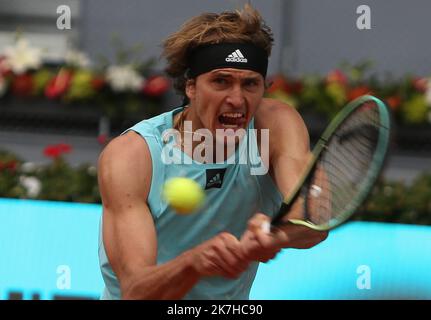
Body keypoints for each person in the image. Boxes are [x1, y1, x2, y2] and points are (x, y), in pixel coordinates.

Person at [98, 4, 328, 300]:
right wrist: (192, 264)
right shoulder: (132, 155)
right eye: (221, 81)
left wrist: (276, 234)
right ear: (191, 87)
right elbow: (135, 291)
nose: (237, 99)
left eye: (250, 84)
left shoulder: (276, 126)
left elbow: (315, 220)